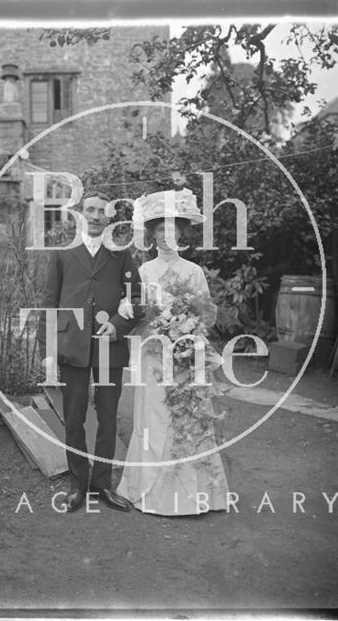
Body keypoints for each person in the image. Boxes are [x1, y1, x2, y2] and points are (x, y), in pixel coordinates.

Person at [116, 189, 229, 516]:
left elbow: (207, 313)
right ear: (152, 235)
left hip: (186, 359)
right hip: (155, 357)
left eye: (173, 230)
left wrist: (189, 328)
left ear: (181, 233)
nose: (168, 236)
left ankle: (194, 496)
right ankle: (149, 492)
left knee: (187, 420)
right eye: (161, 230)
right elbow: (137, 313)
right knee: (155, 419)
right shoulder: (144, 272)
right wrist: (155, 325)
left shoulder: (193, 271)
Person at [37, 191, 142, 513]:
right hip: (73, 347)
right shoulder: (63, 255)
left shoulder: (121, 255)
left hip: (110, 347)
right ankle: (78, 484)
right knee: (74, 418)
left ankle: (102, 484)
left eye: (102, 212)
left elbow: (137, 299)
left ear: (110, 218)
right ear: (81, 214)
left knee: (108, 418)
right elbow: (48, 303)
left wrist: (118, 326)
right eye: (91, 210)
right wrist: (48, 350)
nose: (96, 216)